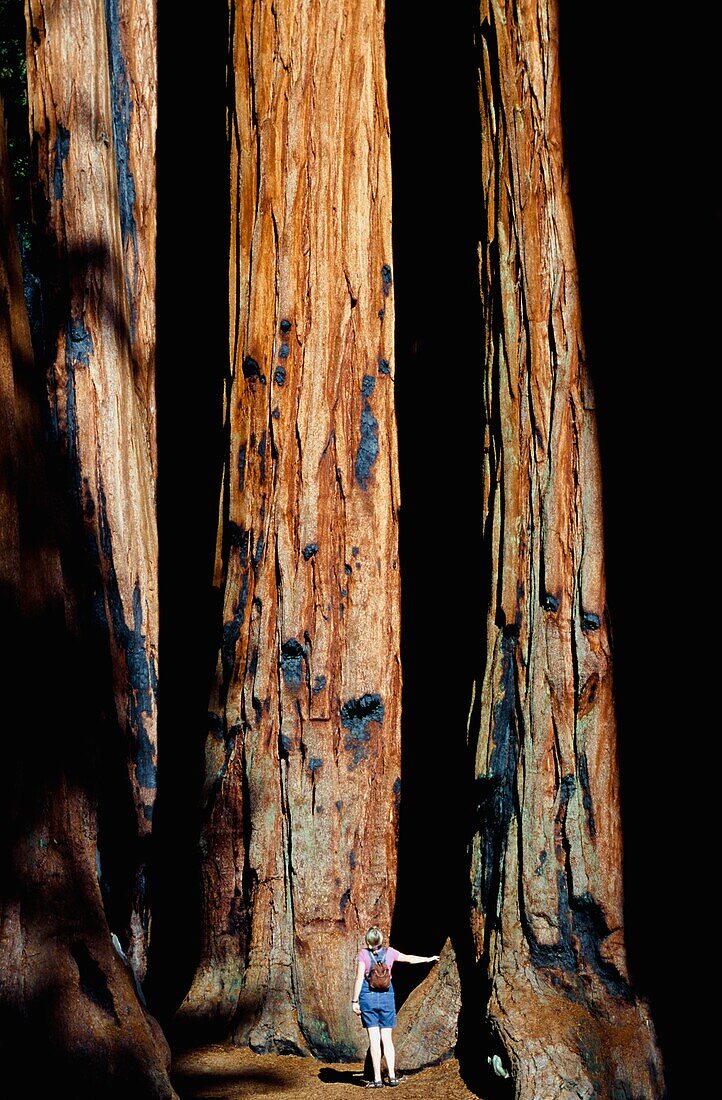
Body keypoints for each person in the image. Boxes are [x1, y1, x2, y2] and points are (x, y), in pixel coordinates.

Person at [351, 926, 440, 1088]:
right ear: (381, 940)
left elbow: (359, 979)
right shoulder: (390, 952)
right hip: (386, 998)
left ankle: (377, 1080)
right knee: (387, 1039)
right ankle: (392, 1077)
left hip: (368, 998)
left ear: (368, 941)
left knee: (374, 1040)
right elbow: (409, 959)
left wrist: (354, 1001)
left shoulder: (363, 954)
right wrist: (428, 959)